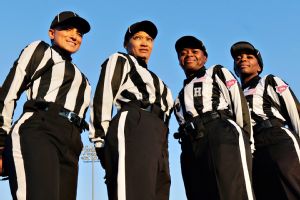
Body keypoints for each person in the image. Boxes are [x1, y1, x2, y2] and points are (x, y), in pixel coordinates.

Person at [0, 11, 91, 200]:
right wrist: (0, 140)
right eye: (67, 29)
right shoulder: (40, 50)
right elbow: (9, 91)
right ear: (52, 33)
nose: (74, 36)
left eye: (79, 33)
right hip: (40, 128)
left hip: (72, 141)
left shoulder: (82, 77)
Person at [89, 20, 173, 200]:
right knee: (133, 191)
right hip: (134, 122)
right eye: (137, 38)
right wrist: (100, 143)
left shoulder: (160, 83)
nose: (144, 43)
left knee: (158, 192)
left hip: (159, 135)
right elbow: (103, 97)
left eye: (149, 39)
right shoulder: (120, 60)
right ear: (127, 43)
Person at [173, 36, 255, 200]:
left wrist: (247, 141)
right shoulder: (179, 97)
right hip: (191, 144)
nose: (189, 55)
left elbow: (238, 103)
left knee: (232, 191)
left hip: (220, 134)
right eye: (183, 53)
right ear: (179, 61)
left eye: (195, 51)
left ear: (204, 58)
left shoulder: (216, 72)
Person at [230, 41, 300, 200]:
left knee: (291, 185)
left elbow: (294, 112)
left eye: (249, 57)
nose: (243, 59)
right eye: (239, 58)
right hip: (252, 148)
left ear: (259, 67)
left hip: (277, 139)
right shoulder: (234, 95)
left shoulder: (269, 81)